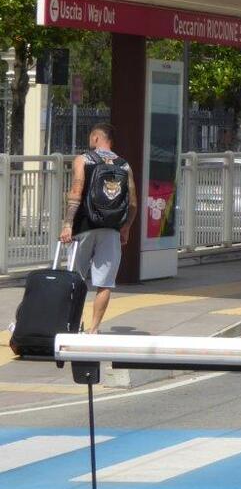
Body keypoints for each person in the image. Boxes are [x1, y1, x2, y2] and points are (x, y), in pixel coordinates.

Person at [58, 123, 138, 333]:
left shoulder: (83, 160)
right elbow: (133, 203)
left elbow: (76, 192)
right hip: (111, 228)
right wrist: (126, 227)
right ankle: (93, 329)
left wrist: (67, 224)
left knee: (75, 279)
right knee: (105, 283)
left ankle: (74, 325)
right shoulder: (124, 165)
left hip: (84, 225)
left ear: (95, 138)